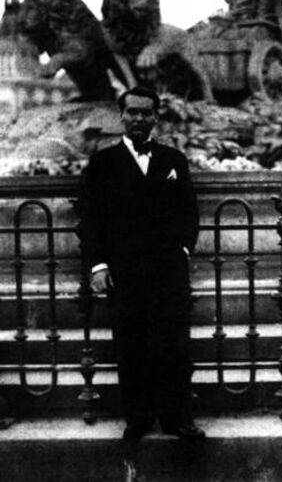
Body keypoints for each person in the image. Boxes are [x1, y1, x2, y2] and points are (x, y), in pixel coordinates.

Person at [80, 85, 205, 441]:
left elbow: (189, 212)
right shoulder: (103, 163)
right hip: (125, 272)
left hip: (168, 270)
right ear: (122, 116)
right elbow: (91, 218)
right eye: (132, 112)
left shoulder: (173, 160)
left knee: (174, 346)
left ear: (156, 117)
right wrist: (98, 266)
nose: (138, 118)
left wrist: (183, 250)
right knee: (131, 345)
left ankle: (177, 418)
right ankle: (138, 418)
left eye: (145, 113)